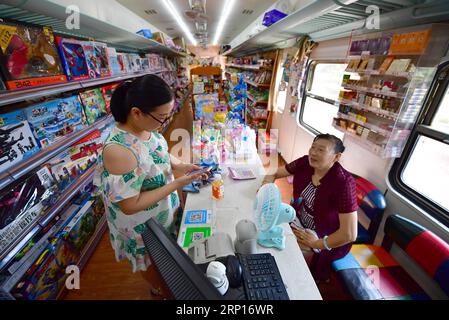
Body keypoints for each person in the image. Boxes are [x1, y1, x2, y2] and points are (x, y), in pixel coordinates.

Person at [94, 75, 207, 297]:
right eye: (162, 117)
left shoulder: (147, 128)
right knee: (155, 266)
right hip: (141, 227)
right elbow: (129, 205)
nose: (165, 122)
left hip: (160, 213)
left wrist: (181, 165)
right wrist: (176, 184)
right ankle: (161, 291)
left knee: (168, 259)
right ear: (136, 112)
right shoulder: (119, 151)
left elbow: (159, 153)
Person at [261, 134, 358, 282]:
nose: (313, 153)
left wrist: (317, 243)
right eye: (313, 147)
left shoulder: (344, 183)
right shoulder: (305, 163)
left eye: (321, 150)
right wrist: (266, 189)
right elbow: (274, 172)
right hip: (299, 219)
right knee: (266, 231)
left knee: (284, 252)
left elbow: (349, 234)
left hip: (324, 234)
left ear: (336, 157)